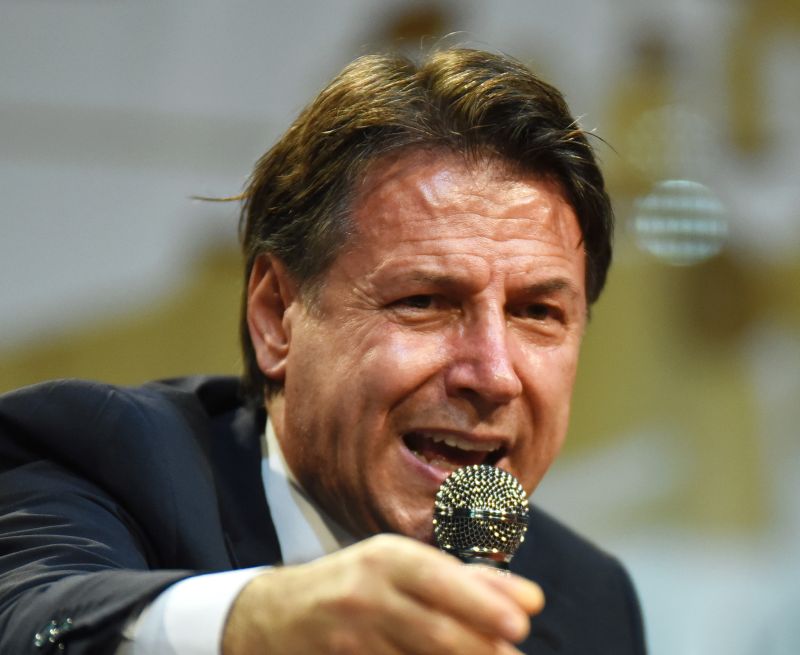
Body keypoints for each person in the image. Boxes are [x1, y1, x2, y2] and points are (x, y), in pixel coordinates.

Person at [0, 48, 646, 654]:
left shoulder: (585, 600)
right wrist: (261, 620)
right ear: (276, 317)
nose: (494, 375)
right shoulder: (109, 464)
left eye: (536, 313)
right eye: (424, 300)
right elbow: (31, 622)